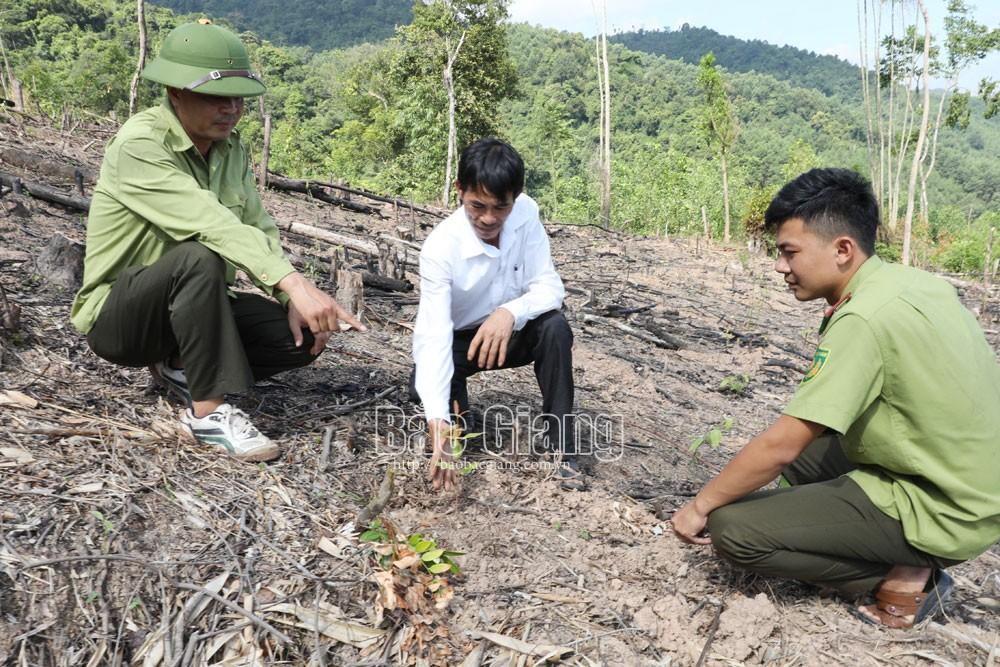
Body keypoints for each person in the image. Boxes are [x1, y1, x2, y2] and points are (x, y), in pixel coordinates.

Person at [670, 168, 1000, 628]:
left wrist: (700, 506)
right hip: (971, 478)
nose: (780, 267)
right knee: (807, 462)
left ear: (843, 249)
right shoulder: (911, 283)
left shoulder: (863, 318)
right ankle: (855, 536)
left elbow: (782, 443)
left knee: (734, 532)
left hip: (945, 506)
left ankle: (902, 576)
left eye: (790, 253)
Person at [70, 20, 363, 461]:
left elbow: (256, 225)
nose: (230, 109)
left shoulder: (230, 151)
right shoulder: (140, 144)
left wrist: (286, 302)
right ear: (176, 93)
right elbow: (212, 223)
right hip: (122, 318)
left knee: (296, 340)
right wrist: (296, 285)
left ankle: (179, 365)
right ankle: (207, 412)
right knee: (197, 255)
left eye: (237, 98)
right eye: (214, 97)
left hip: (196, 308)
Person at [411, 138, 580, 491]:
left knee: (555, 328)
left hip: (512, 334)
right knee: (432, 390)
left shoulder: (527, 213)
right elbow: (433, 334)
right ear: (459, 190)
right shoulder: (440, 250)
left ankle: (562, 449)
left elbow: (549, 287)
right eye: (477, 205)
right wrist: (438, 423)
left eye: (500, 207)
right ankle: (458, 430)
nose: (488, 219)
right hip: (463, 343)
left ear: (516, 197)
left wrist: (510, 312)